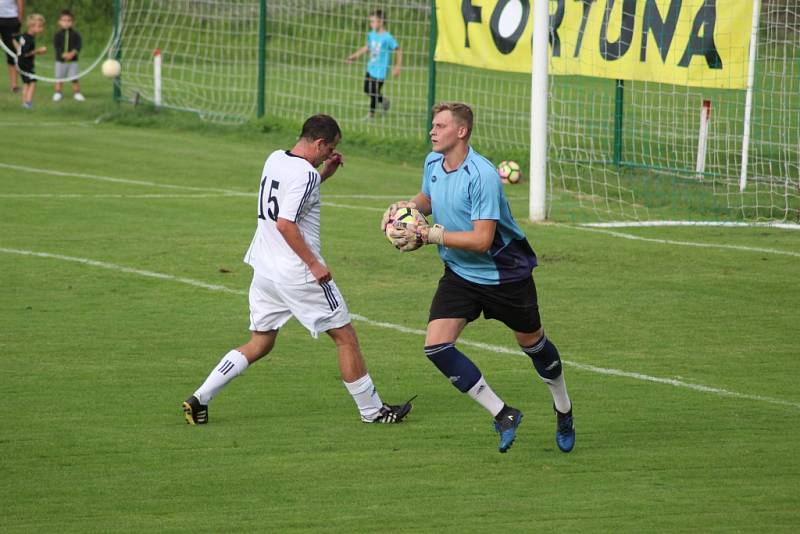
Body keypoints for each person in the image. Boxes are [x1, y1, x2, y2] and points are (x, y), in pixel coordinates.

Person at [183, 114, 413, 426]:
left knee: (260, 342)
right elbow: (286, 223)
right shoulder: (305, 175)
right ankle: (373, 412)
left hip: (265, 270)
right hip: (297, 273)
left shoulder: (276, 158)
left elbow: (292, 194)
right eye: (330, 149)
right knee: (345, 337)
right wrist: (314, 264)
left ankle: (200, 398)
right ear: (319, 143)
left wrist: (323, 173)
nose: (330, 154)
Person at [382, 102, 575, 454]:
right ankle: (503, 414)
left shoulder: (482, 175)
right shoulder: (432, 162)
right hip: (459, 274)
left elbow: (482, 240)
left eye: (440, 126)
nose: (432, 131)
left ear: (461, 131)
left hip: (505, 276)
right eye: (432, 125)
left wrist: (429, 236)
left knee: (534, 346)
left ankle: (563, 408)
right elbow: (428, 196)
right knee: (436, 346)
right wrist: (403, 211)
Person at [345, 9, 402, 120]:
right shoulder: (371, 35)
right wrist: (354, 56)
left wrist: (397, 66)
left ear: (380, 22)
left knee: (374, 91)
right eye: (370, 21)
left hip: (381, 70)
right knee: (367, 89)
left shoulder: (387, 37)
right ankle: (384, 100)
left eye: (373, 21)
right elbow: (367, 47)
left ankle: (371, 114)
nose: (371, 24)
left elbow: (398, 50)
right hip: (371, 67)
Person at [13, 12, 45, 109]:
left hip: (21, 63)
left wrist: (17, 49)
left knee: (26, 83)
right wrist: (38, 51)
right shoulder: (28, 39)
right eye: (39, 26)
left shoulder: (23, 36)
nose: (42, 29)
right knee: (32, 82)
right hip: (26, 64)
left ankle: (25, 103)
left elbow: (13, 38)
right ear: (32, 26)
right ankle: (28, 102)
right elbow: (25, 53)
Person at [52, 9, 84, 102]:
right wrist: (63, 54)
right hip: (60, 61)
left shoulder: (76, 34)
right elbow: (56, 46)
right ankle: (58, 92)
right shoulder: (57, 35)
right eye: (64, 20)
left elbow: (79, 45)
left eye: (69, 20)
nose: (66, 23)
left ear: (73, 22)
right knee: (59, 77)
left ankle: (77, 93)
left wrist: (73, 53)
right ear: (59, 22)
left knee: (74, 77)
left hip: (73, 61)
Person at [0, 0, 23, 92]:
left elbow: (20, 2)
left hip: (10, 19)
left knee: (12, 52)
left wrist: (19, 20)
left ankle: (14, 85)